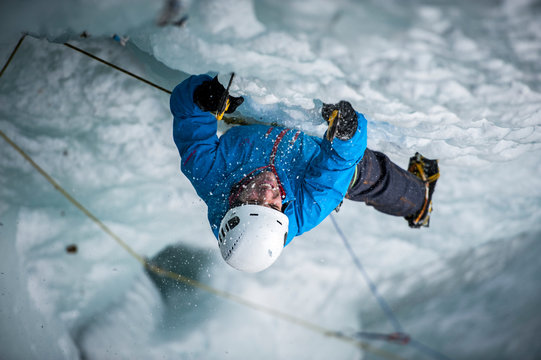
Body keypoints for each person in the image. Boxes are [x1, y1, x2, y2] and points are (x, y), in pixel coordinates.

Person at [170, 74, 439, 273]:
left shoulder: (207, 173)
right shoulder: (306, 208)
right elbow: (340, 160)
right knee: (368, 175)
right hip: (319, 162)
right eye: (273, 206)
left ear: (232, 202)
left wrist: (203, 97)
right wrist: (346, 133)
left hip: (266, 138)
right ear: (283, 214)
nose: (267, 192)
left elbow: (188, 117)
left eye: (253, 200)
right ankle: (420, 202)